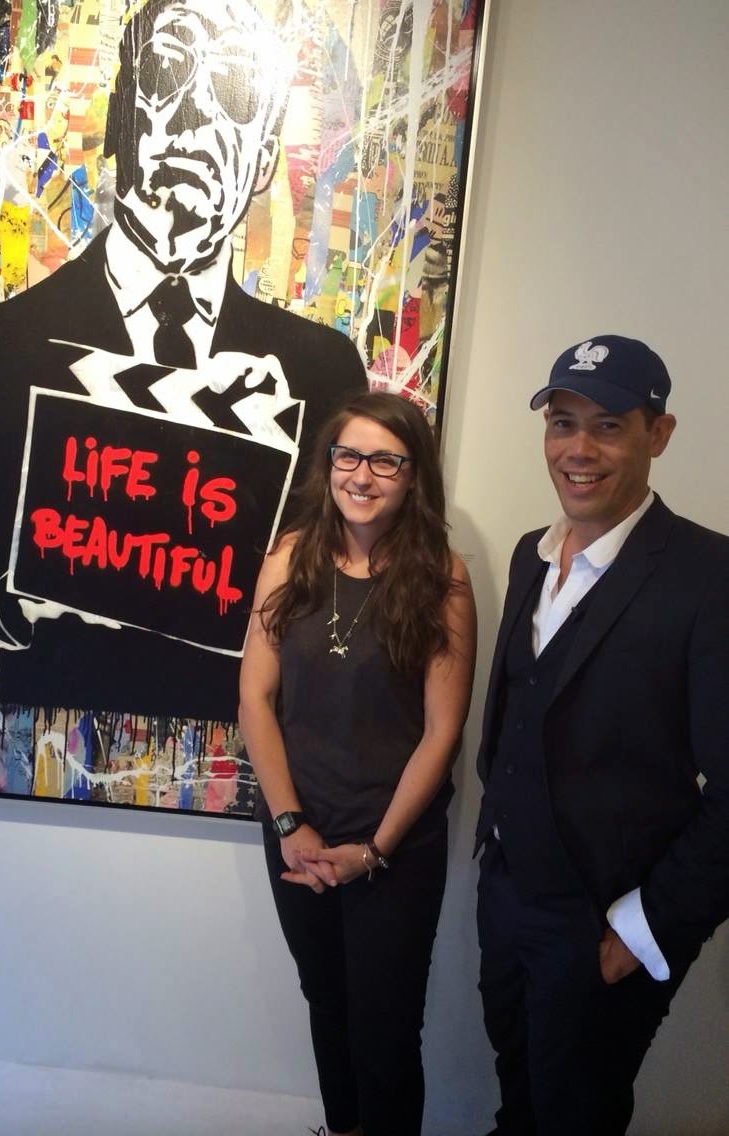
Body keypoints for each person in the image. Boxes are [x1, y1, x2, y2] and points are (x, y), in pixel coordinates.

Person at [0, 0, 367, 722]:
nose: (196, 113)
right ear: (120, 116)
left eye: (234, 91)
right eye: (167, 69)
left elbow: (349, 557)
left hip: (238, 718)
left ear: (263, 159)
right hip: (57, 704)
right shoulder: (10, 340)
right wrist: (22, 591)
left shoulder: (322, 370)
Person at [474, 334, 729, 1135]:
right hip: (507, 897)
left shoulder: (710, 577)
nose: (577, 450)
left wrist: (641, 928)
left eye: (608, 425)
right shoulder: (531, 555)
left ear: (660, 434)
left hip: (604, 919)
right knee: (518, 1100)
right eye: (562, 422)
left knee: (576, 1118)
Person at [239, 391, 476, 1136]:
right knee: (328, 1002)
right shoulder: (289, 557)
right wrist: (291, 826)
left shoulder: (443, 578)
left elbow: (441, 732)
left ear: (414, 476)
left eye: (385, 461)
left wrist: (375, 850)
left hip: (395, 845)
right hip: (298, 833)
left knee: (386, 1026)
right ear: (329, 463)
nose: (362, 475)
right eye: (349, 455)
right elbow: (255, 699)